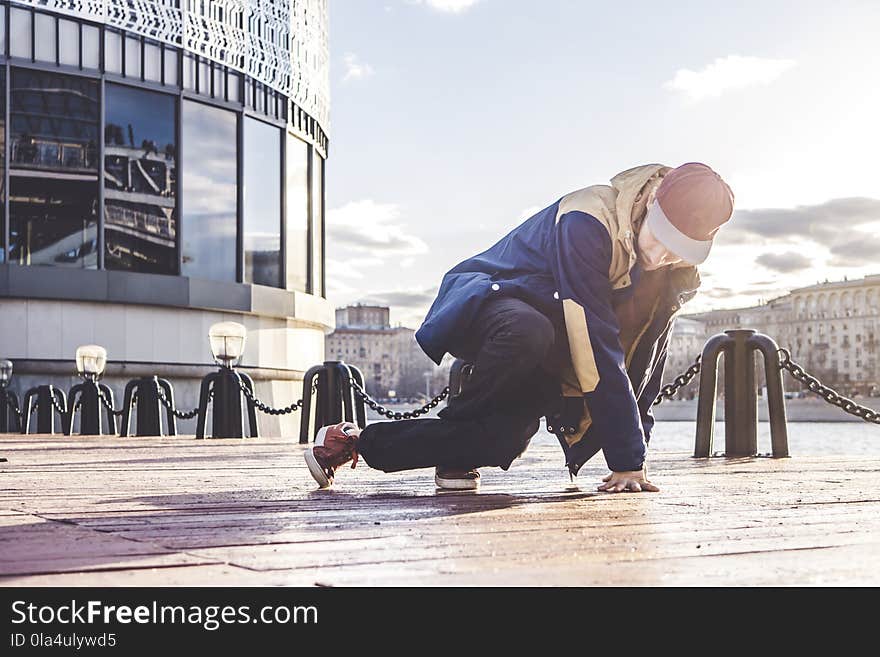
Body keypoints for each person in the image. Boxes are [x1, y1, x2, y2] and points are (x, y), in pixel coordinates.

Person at [305, 163, 734, 493]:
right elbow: (594, 338)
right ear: (652, 198)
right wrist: (624, 456)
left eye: (677, 251)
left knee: (500, 442)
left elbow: (645, 358)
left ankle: (354, 441)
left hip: (550, 347)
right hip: (489, 306)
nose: (660, 257)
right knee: (528, 330)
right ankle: (463, 410)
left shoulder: (673, 274)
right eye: (659, 237)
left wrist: (639, 454)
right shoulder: (587, 218)